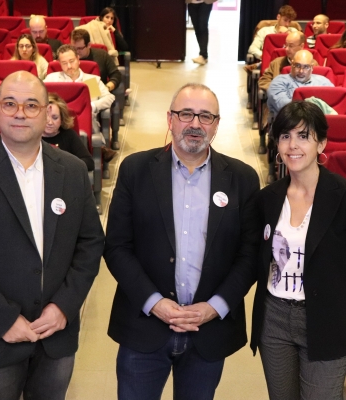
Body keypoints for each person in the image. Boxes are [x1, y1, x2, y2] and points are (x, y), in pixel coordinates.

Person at [0, 71, 104, 400]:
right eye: (10, 104)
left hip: (56, 333)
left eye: (31, 105)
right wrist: (4, 318)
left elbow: (90, 244)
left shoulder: (71, 170)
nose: (20, 113)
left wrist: (64, 307)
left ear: (46, 113)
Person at [104, 82, 260, 400]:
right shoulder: (135, 170)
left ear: (216, 124)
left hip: (208, 331)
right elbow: (117, 247)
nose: (195, 124)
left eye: (205, 116)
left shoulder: (242, 178)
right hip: (144, 327)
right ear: (170, 119)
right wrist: (155, 303)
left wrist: (215, 307)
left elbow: (250, 253)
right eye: (186, 113)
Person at [251, 100, 346, 400]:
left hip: (327, 317)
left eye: (303, 136)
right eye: (285, 136)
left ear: (322, 142)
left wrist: (336, 302)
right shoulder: (268, 198)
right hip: (275, 317)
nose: (292, 145)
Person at [44, 45, 116, 161]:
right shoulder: (52, 79)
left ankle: (97, 150)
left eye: (71, 61)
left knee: (89, 114)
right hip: (56, 124)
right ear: (59, 63)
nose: (69, 66)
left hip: (86, 124)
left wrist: (93, 106)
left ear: (78, 59)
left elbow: (109, 97)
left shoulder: (90, 81)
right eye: (64, 63)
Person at [267, 50, 334, 118]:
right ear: (292, 64)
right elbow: (285, 107)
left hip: (319, 124)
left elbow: (333, 105)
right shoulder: (279, 81)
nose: (301, 71)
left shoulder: (324, 82)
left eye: (306, 67)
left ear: (312, 67)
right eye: (297, 65)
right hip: (289, 124)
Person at [43, 92, 94, 170]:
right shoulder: (31, 137)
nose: (50, 122)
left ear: (62, 119)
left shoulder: (69, 135)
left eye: (55, 117)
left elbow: (89, 163)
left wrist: (64, 166)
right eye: (46, 117)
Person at [70, 29, 121, 93]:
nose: (76, 51)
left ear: (88, 45)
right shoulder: (67, 58)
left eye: (80, 48)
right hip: (75, 92)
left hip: (99, 93)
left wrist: (107, 88)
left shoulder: (102, 55)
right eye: (73, 48)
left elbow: (116, 75)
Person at [186, 0, 217, 65]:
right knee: (197, 28)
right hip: (192, 3)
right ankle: (203, 55)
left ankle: (203, 55)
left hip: (205, 2)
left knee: (202, 26)